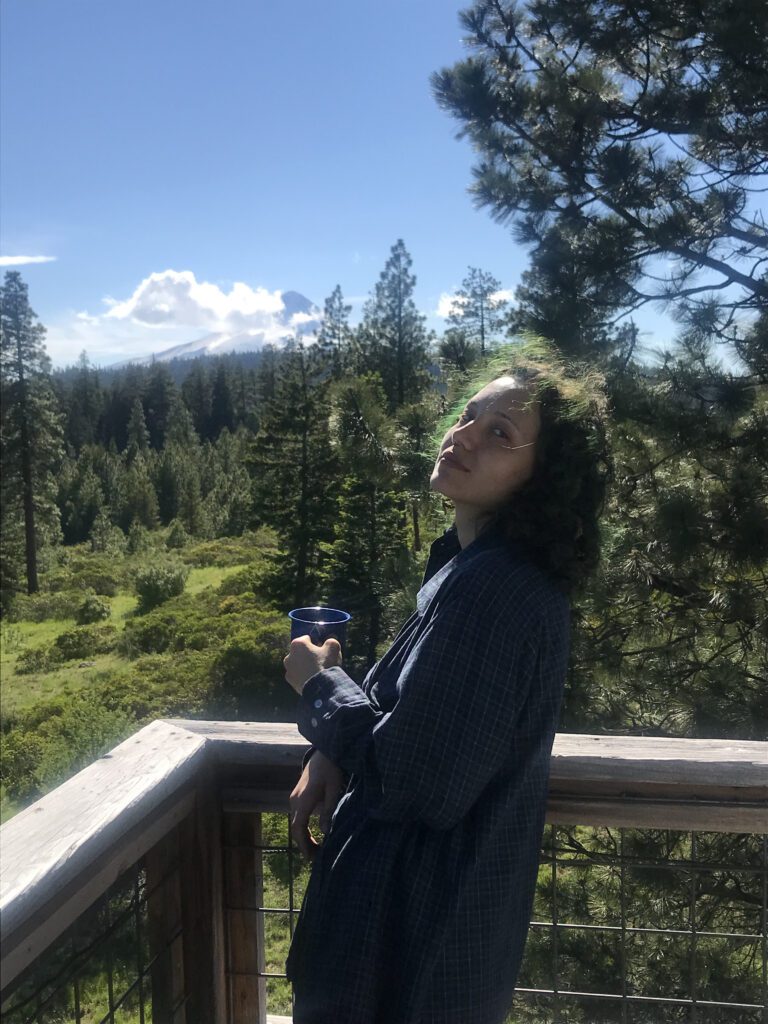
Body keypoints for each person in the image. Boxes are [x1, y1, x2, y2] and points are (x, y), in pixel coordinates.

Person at [282, 342, 609, 1023]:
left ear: (541, 478)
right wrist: (333, 746)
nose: (462, 435)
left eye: (500, 434)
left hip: (405, 959)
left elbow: (417, 781)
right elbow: (424, 726)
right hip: (428, 945)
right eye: (468, 415)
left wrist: (320, 686)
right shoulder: (481, 573)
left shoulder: (494, 591)